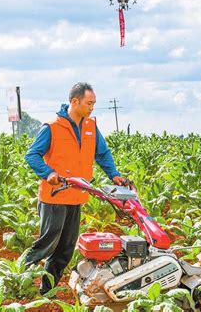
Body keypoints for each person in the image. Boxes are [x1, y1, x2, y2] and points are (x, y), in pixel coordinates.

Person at [24, 82, 127, 295]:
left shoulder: (90, 126)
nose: (92, 107)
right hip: (54, 196)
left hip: (77, 195)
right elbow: (32, 155)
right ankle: (18, 276)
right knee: (48, 244)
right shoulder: (52, 126)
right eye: (89, 103)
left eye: (94, 103)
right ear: (75, 101)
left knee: (66, 248)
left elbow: (102, 153)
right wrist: (48, 173)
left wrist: (114, 174)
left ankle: (47, 289)